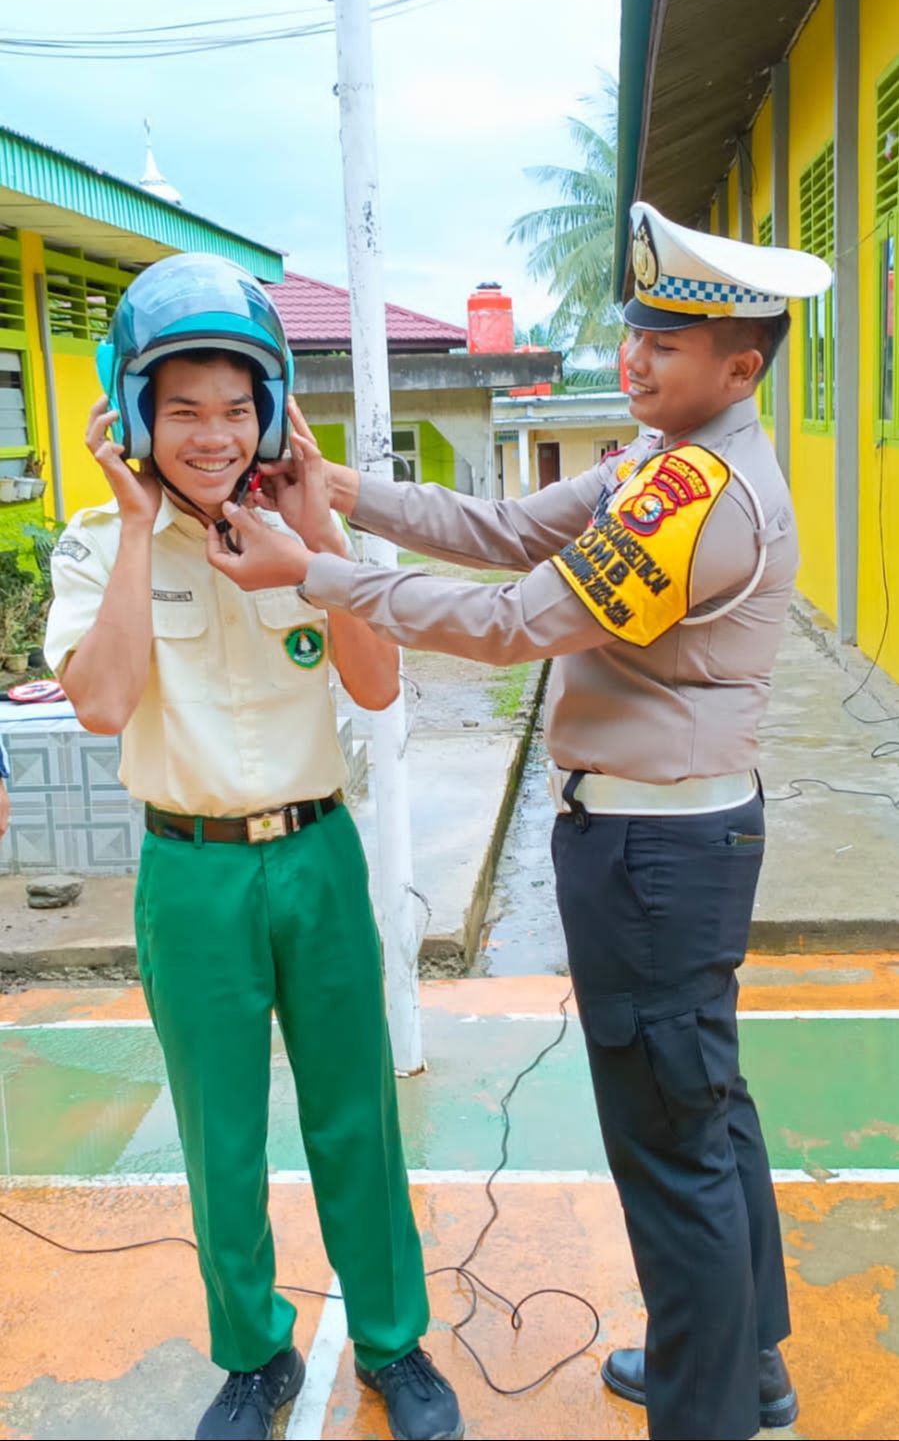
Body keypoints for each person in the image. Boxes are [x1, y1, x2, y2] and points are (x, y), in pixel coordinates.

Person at [205, 204, 832, 1441]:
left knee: (670, 1147)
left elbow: (510, 621)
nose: (631, 361)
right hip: (668, 842)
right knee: (703, 1112)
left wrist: (311, 570)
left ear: (739, 368)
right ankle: (738, 1364)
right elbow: (497, 531)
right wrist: (335, 491)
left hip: (654, 856)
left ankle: (705, 1413)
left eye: (661, 343)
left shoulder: (692, 497)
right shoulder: (665, 462)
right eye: (633, 333)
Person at [43, 254, 463, 1441]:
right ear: (135, 414)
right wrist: (137, 532)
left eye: (237, 408)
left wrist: (316, 534)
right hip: (191, 874)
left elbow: (374, 685)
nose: (213, 435)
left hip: (317, 858)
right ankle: (253, 1356)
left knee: (354, 1118)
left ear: (270, 408)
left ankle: (392, 1343)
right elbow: (103, 705)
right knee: (218, 1130)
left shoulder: (302, 531)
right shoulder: (94, 545)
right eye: (183, 411)